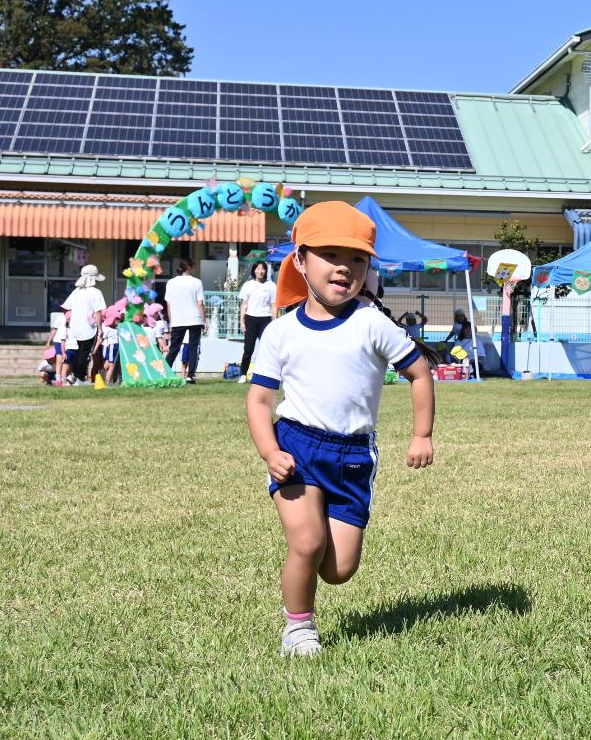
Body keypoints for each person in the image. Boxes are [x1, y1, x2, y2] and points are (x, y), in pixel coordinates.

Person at [247, 202, 436, 658]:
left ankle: (310, 595)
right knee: (307, 542)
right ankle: (298, 627)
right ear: (300, 260)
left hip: (353, 457)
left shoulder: (372, 323)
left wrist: (421, 434)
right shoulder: (281, 332)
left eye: (357, 259)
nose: (343, 267)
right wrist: (269, 451)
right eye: (330, 255)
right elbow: (258, 400)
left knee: (339, 569)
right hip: (296, 447)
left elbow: (420, 373)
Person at [61, 265, 106, 386]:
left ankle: (73, 377)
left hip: (74, 328)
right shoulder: (96, 293)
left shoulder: (76, 292)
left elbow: (66, 308)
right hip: (88, 329)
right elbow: (98, 312)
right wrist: (100, 329)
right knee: (85, 354)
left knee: (77, 354)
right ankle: (79, 379)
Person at [163, 258, 206, 384]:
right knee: (193, 347)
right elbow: (200, 303)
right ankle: (190, 376)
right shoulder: (197, 282)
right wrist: (204, 320)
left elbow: (169, 305)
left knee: (174, 348)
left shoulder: (171, 282)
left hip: (177, 319)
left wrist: (171, 322)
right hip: (194, 319)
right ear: (190, 267)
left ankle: (165, 372)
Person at [236, 259, 277, 383]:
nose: (260, 271)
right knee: (248, 348)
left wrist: (273, 322)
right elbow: (244, 304)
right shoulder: (248, 285)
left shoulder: (271, 285)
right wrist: (242, 321)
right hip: (250, 318)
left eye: (263, 269)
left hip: (265, 319)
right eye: (258, 268)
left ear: (266, 270)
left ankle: (268, 374)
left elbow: (274, 305)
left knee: (267, 348)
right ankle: (243, 374)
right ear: (254, 270)